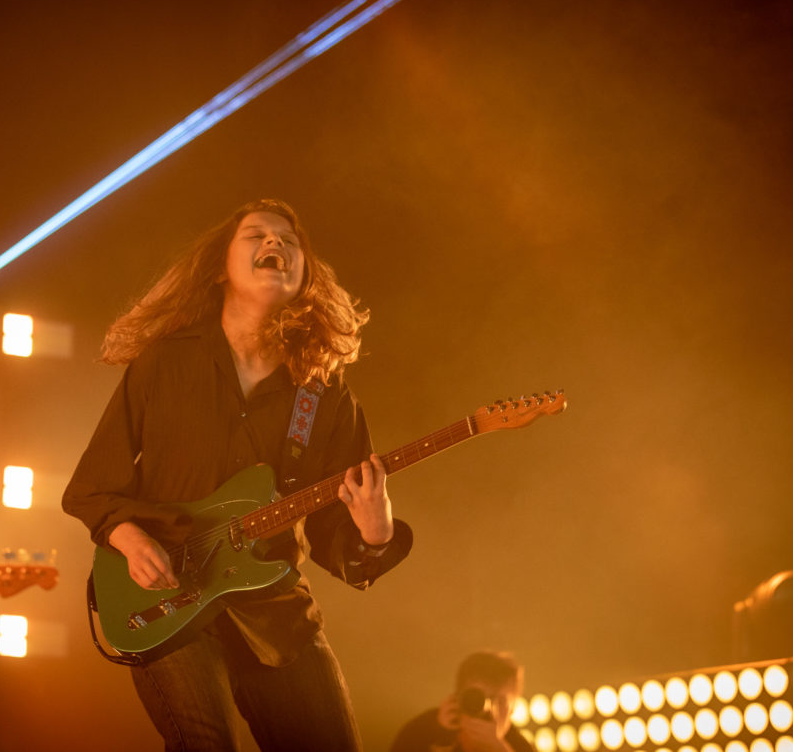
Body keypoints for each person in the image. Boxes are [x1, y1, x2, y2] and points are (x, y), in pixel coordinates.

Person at [62, 198, 413, 751]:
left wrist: (375, 534)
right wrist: (129, 538)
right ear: (220, 267)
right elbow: (92, 488)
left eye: (289, 242)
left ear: (306, 276)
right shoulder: (165, 362)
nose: (276, 244)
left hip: (273, 609)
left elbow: (329, 533)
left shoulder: (322, 391)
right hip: (168, 596)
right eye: (257, 236)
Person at [390, 651, 535, 752]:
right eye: (480, 699)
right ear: (459, 698)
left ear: (513, 708)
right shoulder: (422, 732)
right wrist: (435, 737)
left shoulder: (519, 747)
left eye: (501, 701)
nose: (491, 710)